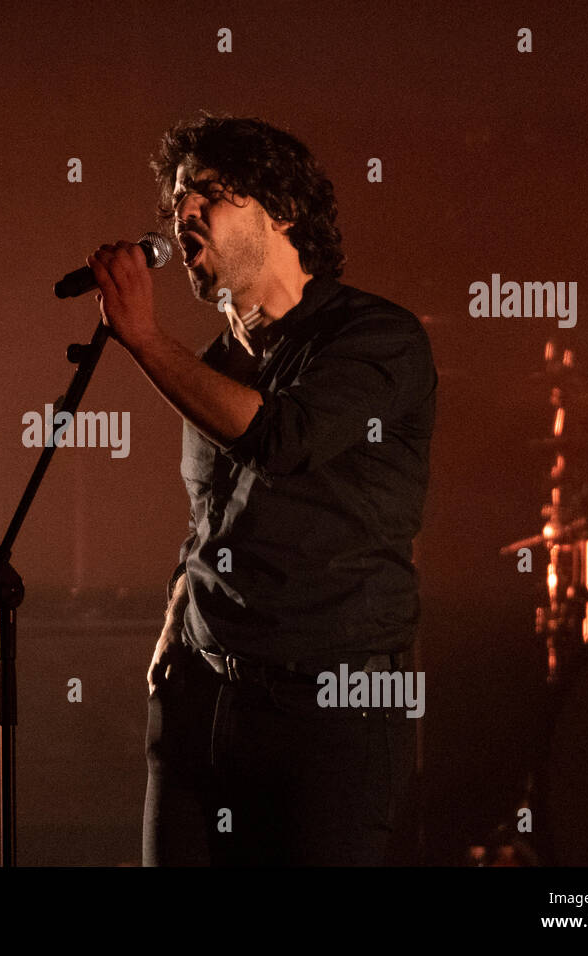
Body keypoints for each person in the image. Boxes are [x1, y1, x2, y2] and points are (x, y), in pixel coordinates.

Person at [85, 114, 437, 865]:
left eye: (206, 195)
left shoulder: (376, 339)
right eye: (175, 203)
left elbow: (283, 439)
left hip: (332, 712)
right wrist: (181, 603)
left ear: (281, 210)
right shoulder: (216, 363)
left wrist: (144, 338)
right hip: (205, 703)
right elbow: (211, 515)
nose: (182, 216)